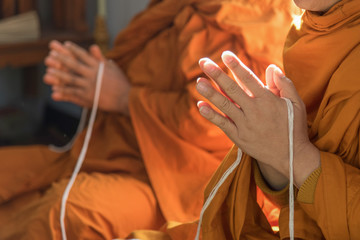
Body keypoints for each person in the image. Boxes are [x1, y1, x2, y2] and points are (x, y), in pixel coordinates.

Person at [0, 0, 294, 239]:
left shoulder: (264, 19)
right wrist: (93, 79)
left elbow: (218, 121)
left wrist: (122, 97)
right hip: (114, 145)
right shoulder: (179, 6)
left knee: (62, 214)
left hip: (175, 178)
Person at [127, 0, 360, 239]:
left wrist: (126, 98)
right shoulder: (311, 28)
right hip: (130, 147)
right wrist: (273, 152)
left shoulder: (264, 18)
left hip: (174, 171)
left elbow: (203, 129)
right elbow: (295, 198)